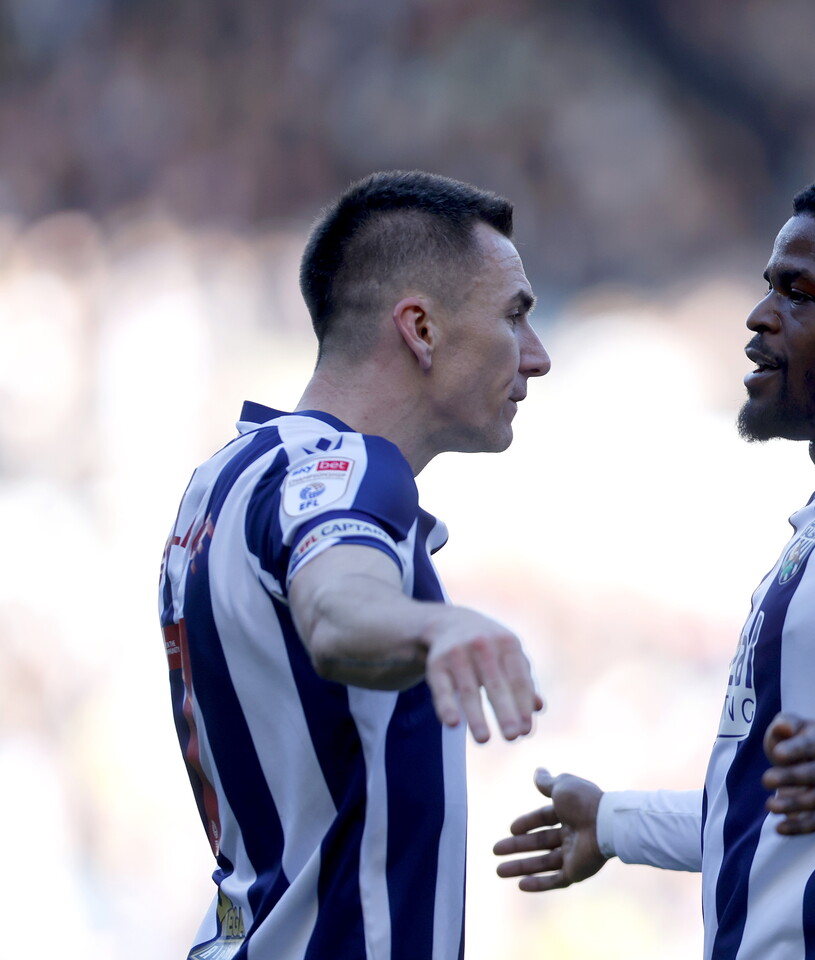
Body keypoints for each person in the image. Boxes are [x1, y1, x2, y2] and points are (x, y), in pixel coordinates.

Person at [494, 166, 815, 960]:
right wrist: (614, 823)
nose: (759, 316)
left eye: (800, 295)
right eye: (769, 286)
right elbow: (776, 815)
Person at [158, 170, 551, 960]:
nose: (537, 358)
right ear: (421, 329)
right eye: (515, 315)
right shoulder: (345, 468)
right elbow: (338, 610)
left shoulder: (224, 480)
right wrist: (434, 624)